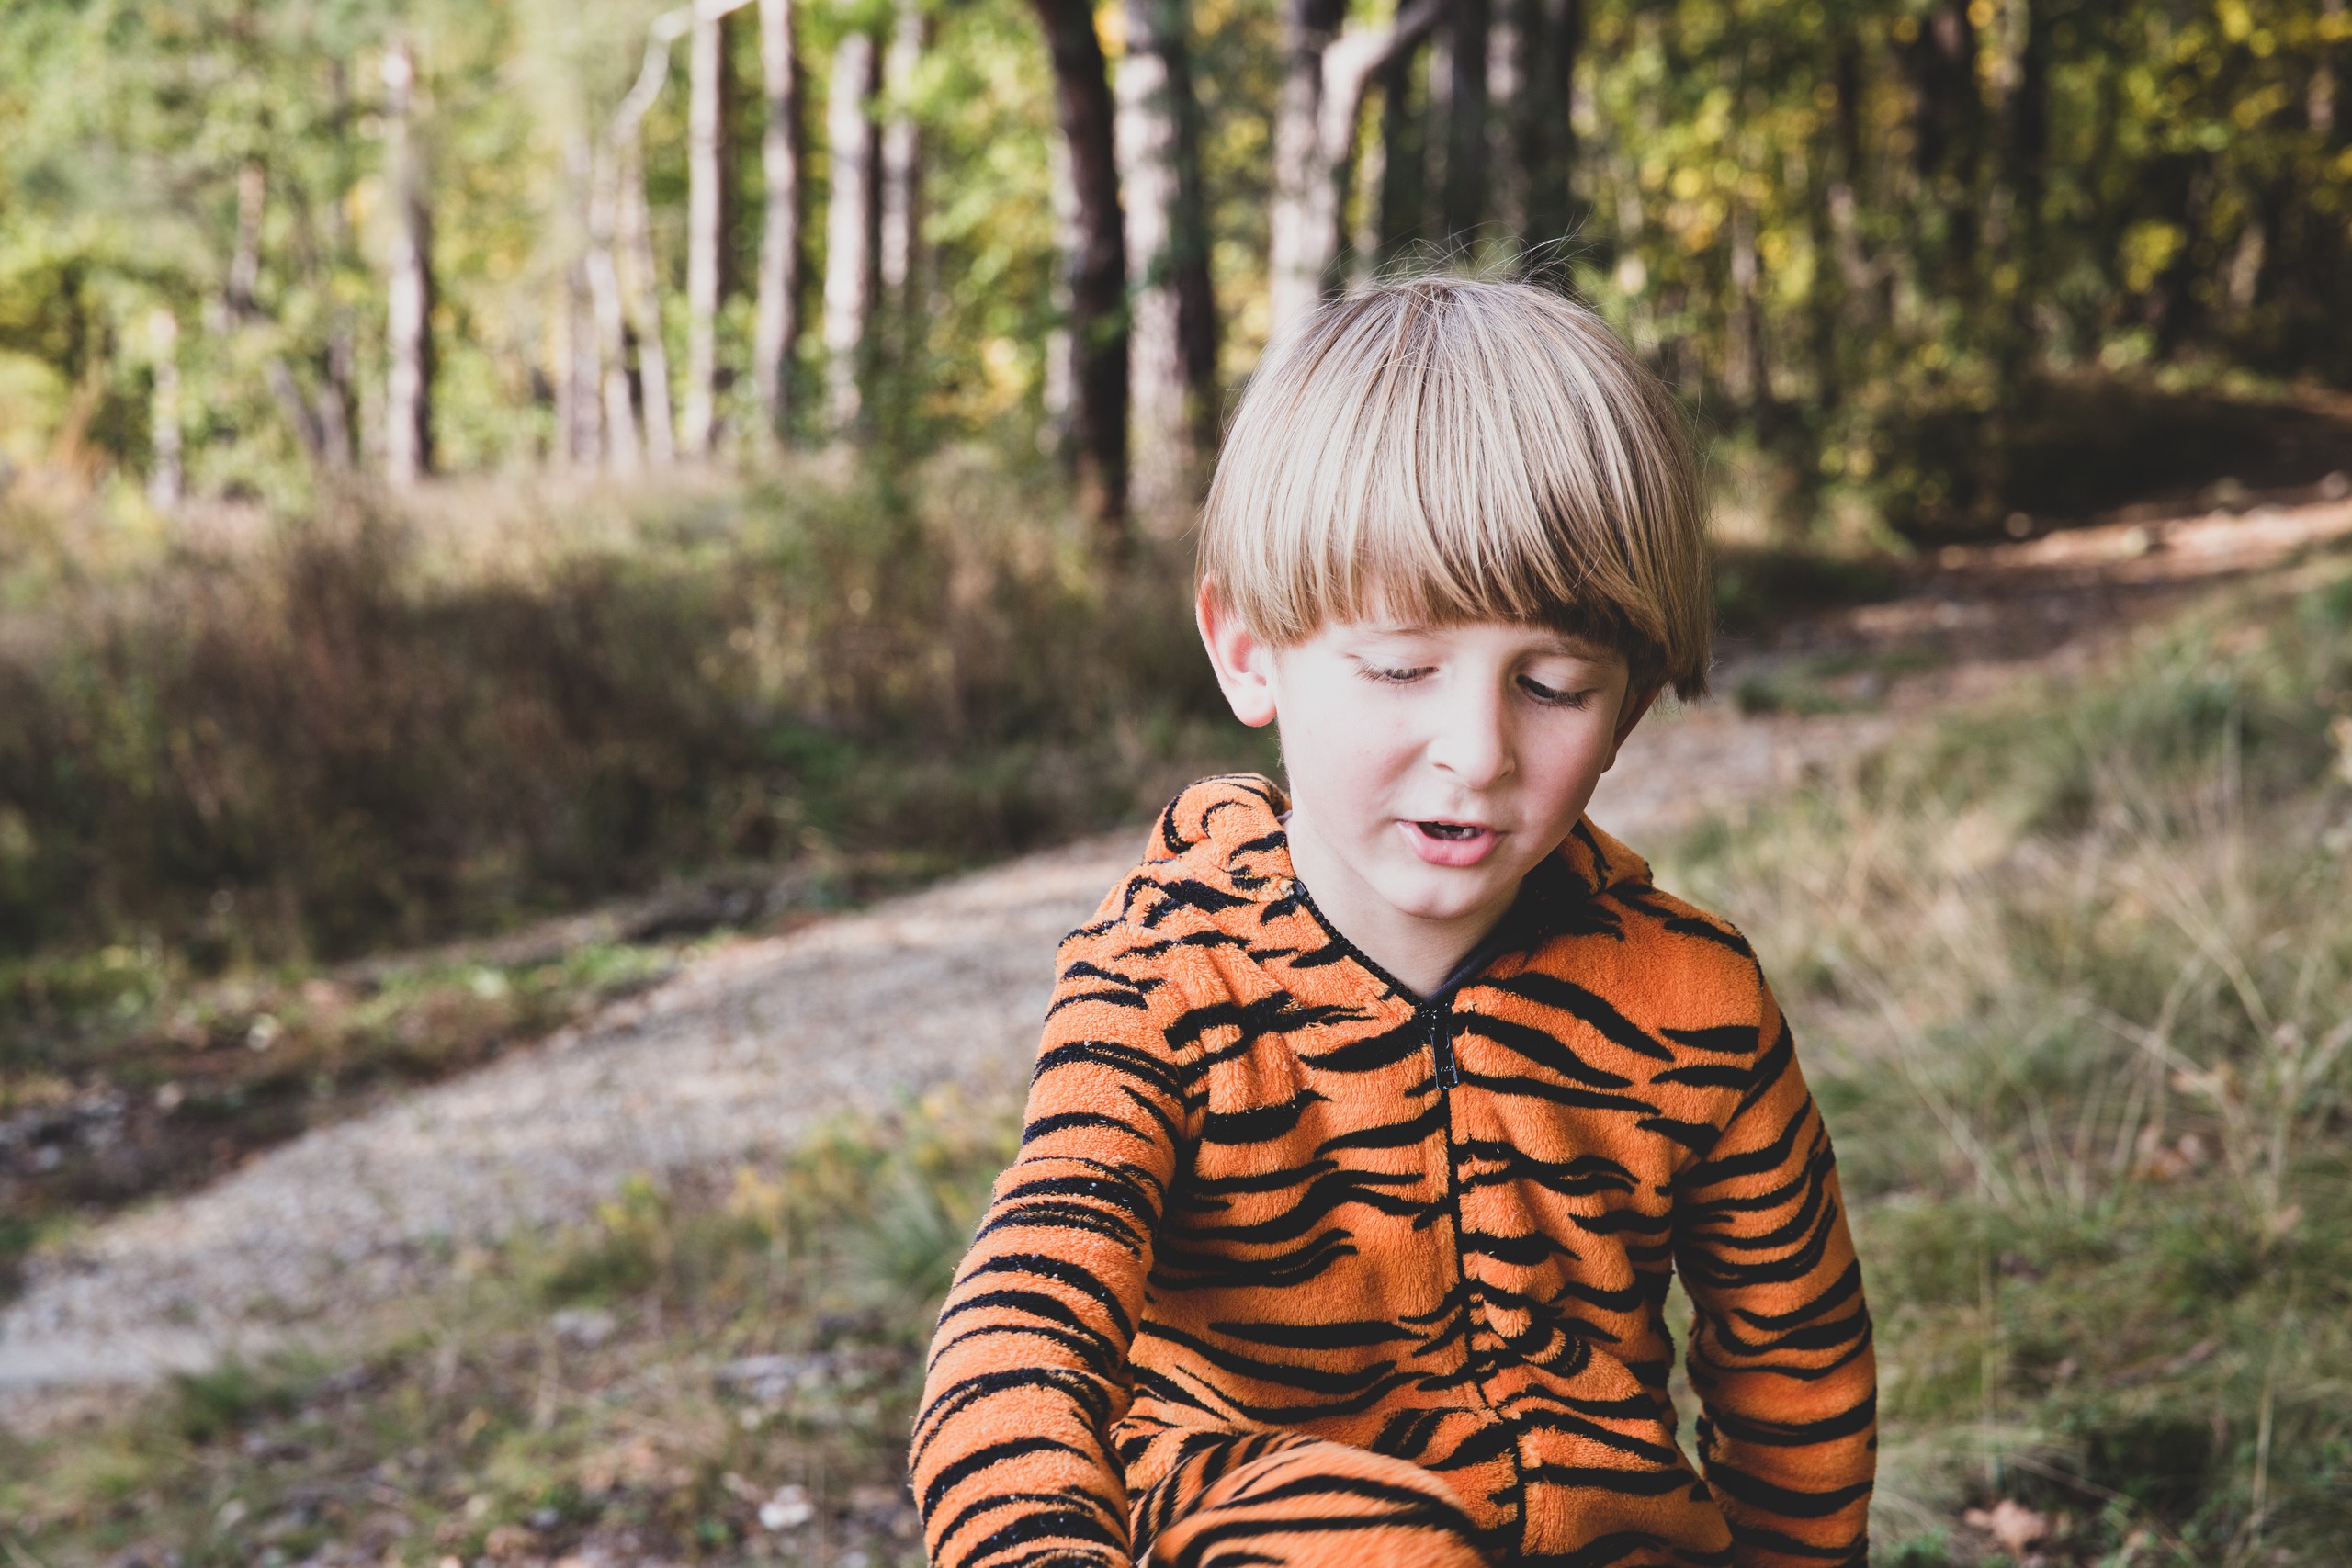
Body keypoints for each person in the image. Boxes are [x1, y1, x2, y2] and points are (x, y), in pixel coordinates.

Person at [910, 276, 1876, 1568]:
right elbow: (1021, 1336)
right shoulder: (1168, 981)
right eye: (1399, 668)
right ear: (1250, 651)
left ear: (1631, 704)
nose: (1473, 752)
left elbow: (1796, 1371)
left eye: (1552, 684)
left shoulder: (1691, 1002)